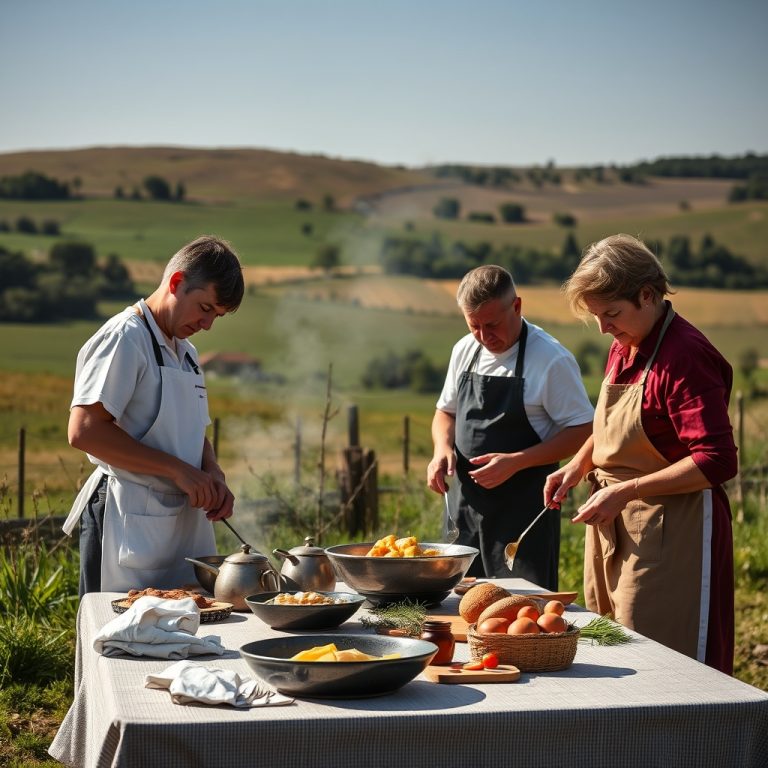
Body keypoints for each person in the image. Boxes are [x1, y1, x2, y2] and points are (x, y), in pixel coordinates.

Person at [544, 234, 737, 674]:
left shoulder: (685, 357)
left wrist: (626, 490)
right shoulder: (626, 342)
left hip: (674, 533)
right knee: (612, 642)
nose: (603, 328)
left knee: (663, 659)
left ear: (647, 295)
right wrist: (578, 465)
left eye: (611, 313)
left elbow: (717, 460)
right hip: (618, 522)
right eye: (596, 316)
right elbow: (614, 427)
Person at [64, 235, 245, 596]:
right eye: (205, 307)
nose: (207, 324)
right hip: (125, 522)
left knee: (183, 640)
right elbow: (84, 431)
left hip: (179, 528)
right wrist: (179, 471)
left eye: (217, 316)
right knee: (116, 637)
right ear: (176, 282)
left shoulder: (187, 352)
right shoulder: (125, 338)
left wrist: (212, 471)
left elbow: (189, 427)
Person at [427, 265, 594, 589]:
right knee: (460, 607)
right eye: (474, 325)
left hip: (523, 520)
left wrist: (516, 461)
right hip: (463, 516)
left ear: (516, 306)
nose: (484, 336)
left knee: (521, 616)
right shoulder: (464, 349)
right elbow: (444, 412)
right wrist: (441, 449)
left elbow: (584, 430)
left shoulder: (550, 360)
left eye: (492, 324)